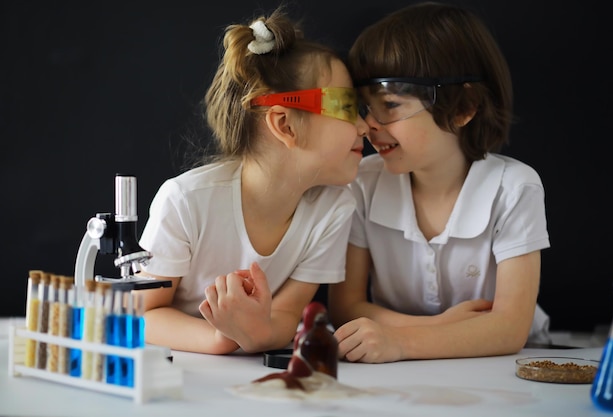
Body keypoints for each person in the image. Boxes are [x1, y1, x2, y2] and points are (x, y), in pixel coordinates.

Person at [328, 1, 551, 363]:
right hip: (395, 368)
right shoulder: (363, 184)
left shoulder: (514, 188)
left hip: (509, 367)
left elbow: (509, 328)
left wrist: (400, 341)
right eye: (366, 107)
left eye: (390, 104)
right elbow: (345, 306)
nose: (369, 125)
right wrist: (437, 328)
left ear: (463, 107)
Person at [137, 7, 368, 355]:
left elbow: (287, 313)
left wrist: (257, 333)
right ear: (285, 125)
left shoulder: (335, 207)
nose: (365, 126)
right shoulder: (185, 201)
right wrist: (221, 338)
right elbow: (143, 313)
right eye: (347, 106)